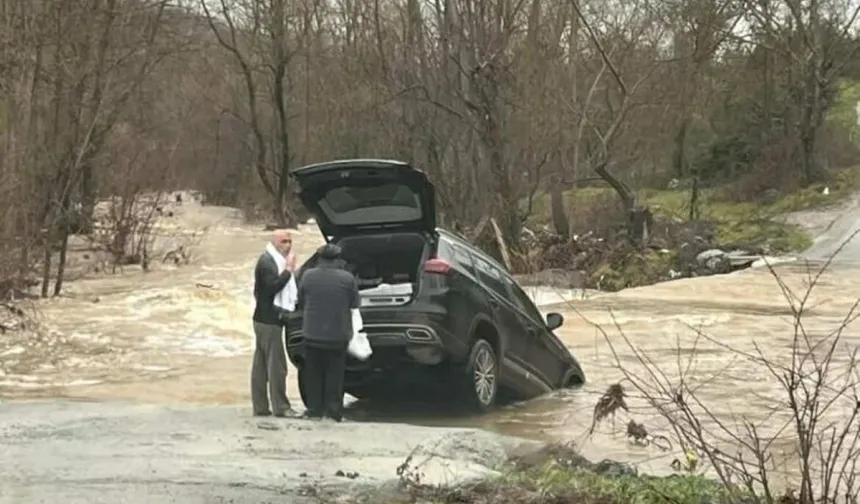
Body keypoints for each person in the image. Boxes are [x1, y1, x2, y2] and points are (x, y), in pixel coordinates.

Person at [297, 243, 359, 421]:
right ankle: (333, 412)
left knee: (313, 374)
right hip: (337, 335)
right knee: (335, 375)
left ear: (320, 258)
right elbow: (354, 303)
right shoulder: (347, 278)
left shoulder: (308, 276)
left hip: (312, 334)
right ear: (337, 260)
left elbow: (301, 300)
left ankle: (314, 410)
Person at [251, 229, 296, 417]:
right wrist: (288, 271)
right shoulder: (268, 262)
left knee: (261, 366)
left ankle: (261, 407)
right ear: (274, 243)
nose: (288, 245)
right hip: (269, 320)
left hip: (262, 318)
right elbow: (271, 288)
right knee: (276, 366)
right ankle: (281, 407)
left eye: (290, 241)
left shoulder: (272, 260)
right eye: (284, 242)